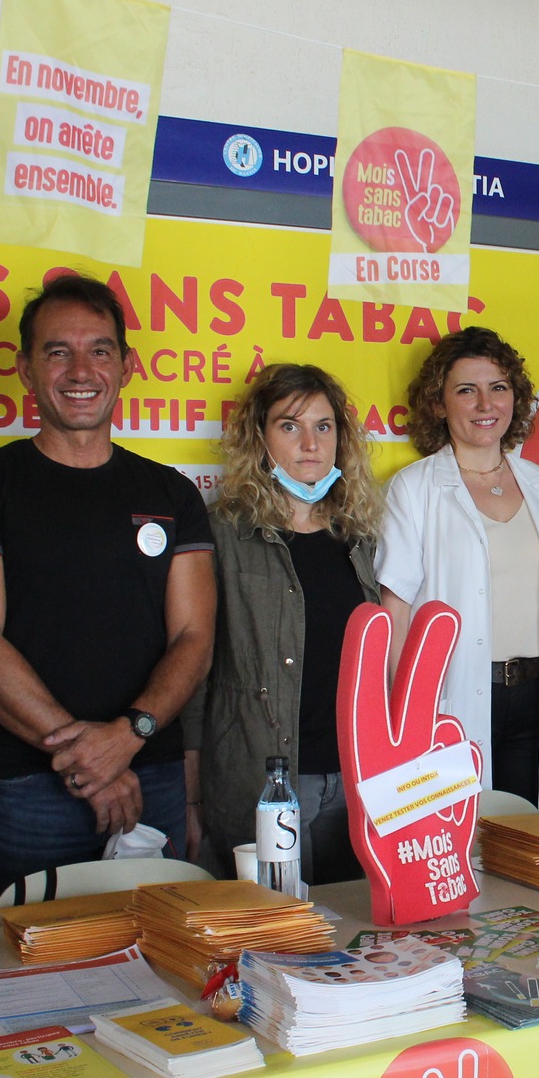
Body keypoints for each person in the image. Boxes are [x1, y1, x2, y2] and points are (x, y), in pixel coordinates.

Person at [0, 275, 216, 903]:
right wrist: (88, 760)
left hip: (154, 775)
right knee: (31, 970)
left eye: (99, 349)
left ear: (127, 366)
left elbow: (194, 638)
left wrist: (127, 737)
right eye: (56, 351)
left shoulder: (170, 493)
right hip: (30, 789)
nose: (79, 369)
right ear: (25, 369)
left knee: (162, 963)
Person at [376, 327, 539, 813]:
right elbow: (395, 615)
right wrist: (405, 719)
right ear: (438, 404)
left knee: (532, 843)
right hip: (453, 698)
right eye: (466, 390)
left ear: (515, 399)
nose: (486, 403)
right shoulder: (413, 490)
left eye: (498, 388)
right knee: (456, 844)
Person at [186, 364, 382, 884]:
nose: (310, 443)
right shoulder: (224, 533)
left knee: (357, 933)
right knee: (280, 938)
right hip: (265, 779)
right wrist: (189, 795)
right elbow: (193, 669)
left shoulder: (360, 536)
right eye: (290, 426)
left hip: (357, 775)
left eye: (324, 426)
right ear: (261, 438)